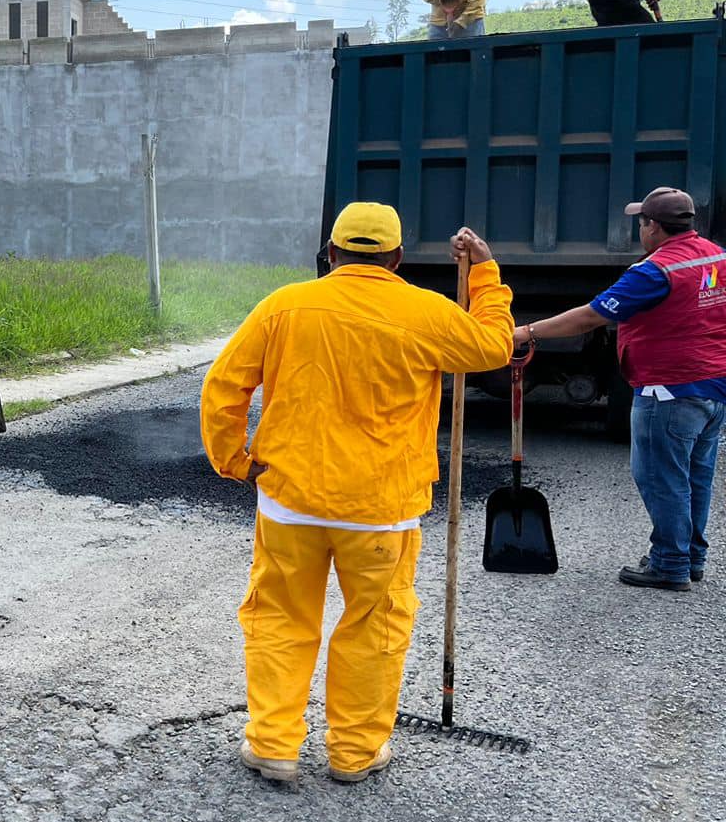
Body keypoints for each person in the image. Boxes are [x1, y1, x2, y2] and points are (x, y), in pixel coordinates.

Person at [201, 204, 514, 785]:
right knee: (376, 624)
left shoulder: (284, 306)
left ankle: (272, 745)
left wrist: (234, 461)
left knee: (280, 618)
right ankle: (354, 753)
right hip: (382, 511)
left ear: (330, 252)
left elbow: (224, 385)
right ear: (396, 258)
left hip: (290, 501)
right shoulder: (425, 311)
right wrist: (484, 276)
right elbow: (492, 348)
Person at [515, 187, 726, 590]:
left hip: (669, 389)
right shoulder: (716, 256)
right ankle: (690, 557)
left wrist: (525, 332)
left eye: (641, 222)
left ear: (654, 227)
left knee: (663, 478)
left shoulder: (654, 271)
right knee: (695, 476)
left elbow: (589, 317)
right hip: (713, 388)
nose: (640, 229)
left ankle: (670, 563)